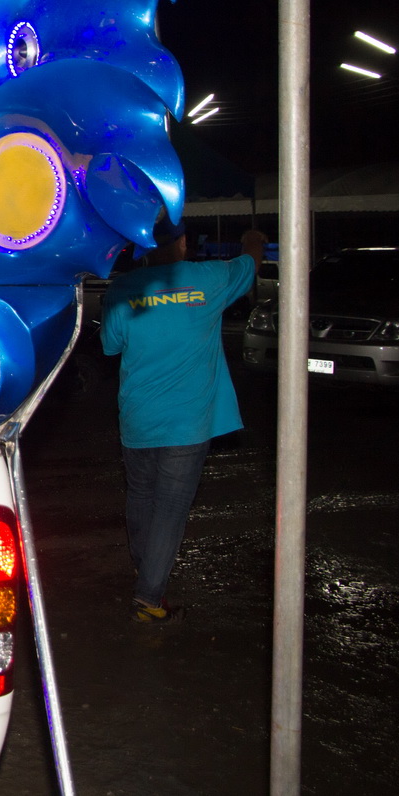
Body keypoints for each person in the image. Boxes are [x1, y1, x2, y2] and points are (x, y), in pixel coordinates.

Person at [100, 217, 266, 623]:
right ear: (184, 242)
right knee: (170, 509)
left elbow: (110, 345)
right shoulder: (208, 278)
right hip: (187, 422)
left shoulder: (124, 288)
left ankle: (147, 571)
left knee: (141, 497)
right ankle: (148, 596)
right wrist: (252, 239)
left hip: (138, 418)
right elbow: (249, 264)